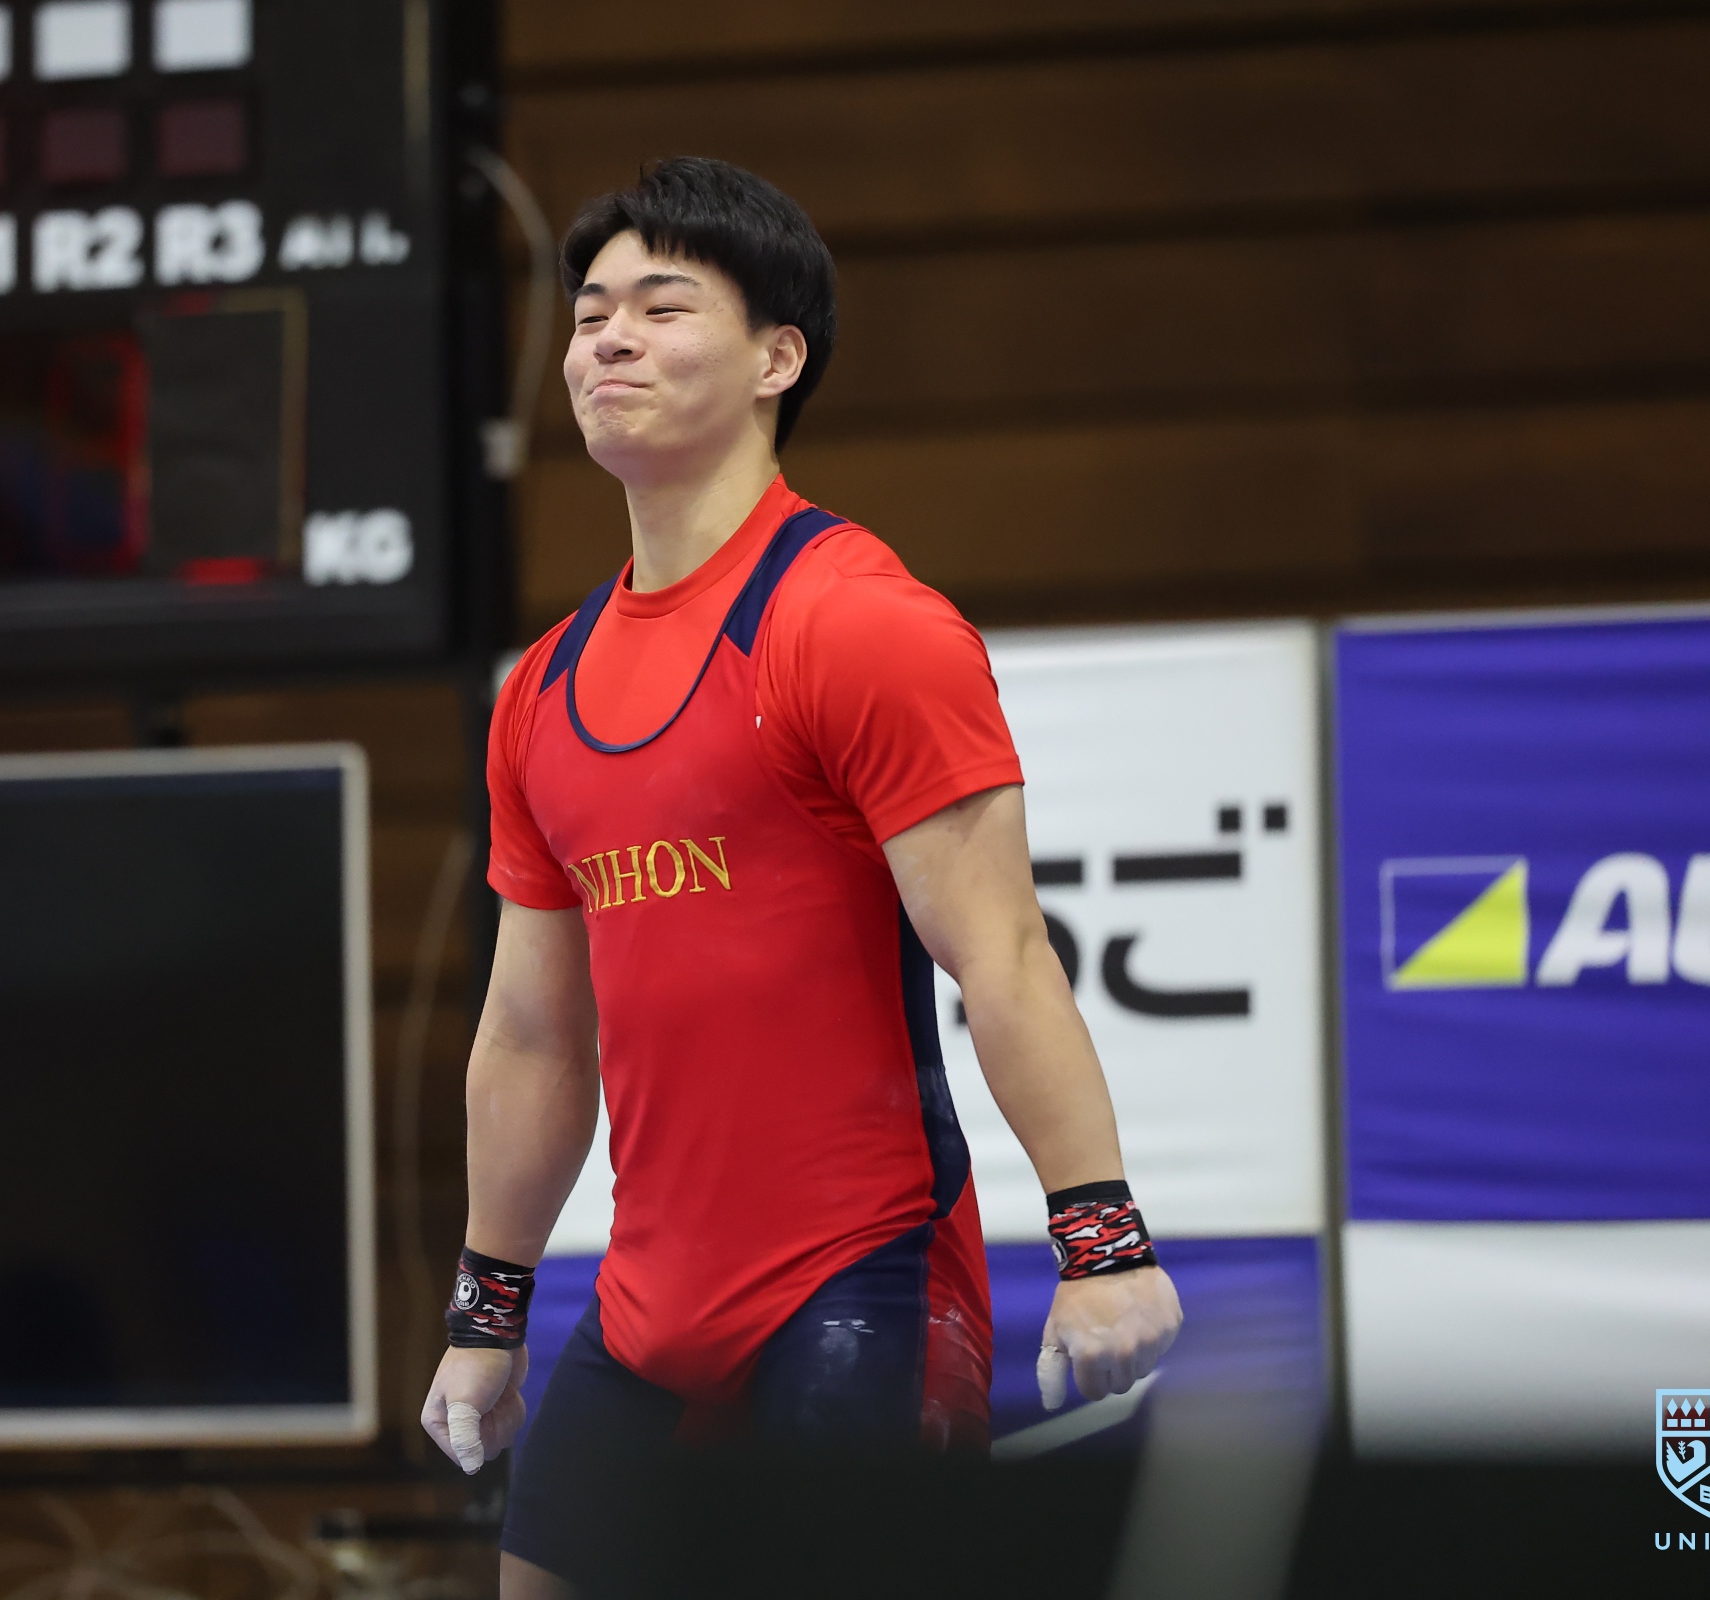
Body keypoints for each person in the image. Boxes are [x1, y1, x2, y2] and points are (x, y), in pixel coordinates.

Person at [421, 157, 1183, 1597]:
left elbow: (1005, 958)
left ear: (779, 359)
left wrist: (1102, 1243)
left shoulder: (860, 627)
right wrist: (486, 1311)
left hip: (859, 1281)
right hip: (646, 1307)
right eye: (588, 316)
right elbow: (530, 1034)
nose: (608, 341)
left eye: (661, 308)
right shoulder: (543, 691)